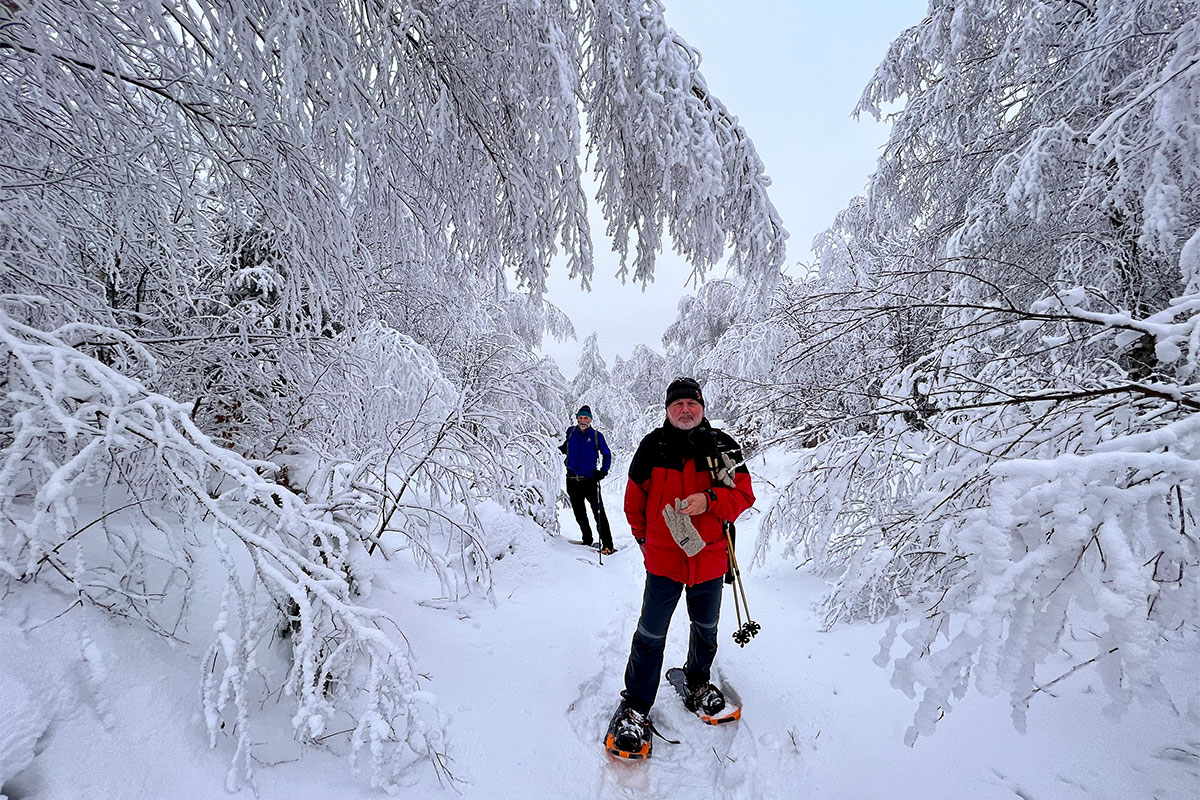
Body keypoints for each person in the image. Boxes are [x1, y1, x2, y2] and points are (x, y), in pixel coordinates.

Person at [604, 377, 755, 759]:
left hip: (709, 557)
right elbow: (632, 503)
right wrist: (644, 542)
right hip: (664, 563)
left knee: (706, 627)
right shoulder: (652, 447)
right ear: (668, 410)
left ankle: (697, 683)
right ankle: (635, 706)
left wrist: (709, 501)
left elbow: (743, 496)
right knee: (650, 634)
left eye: (692, 403)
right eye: (678, 405)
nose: (685, 410)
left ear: (702, 408)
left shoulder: (724, 446)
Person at [558, 405, 615, 554]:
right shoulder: (571, 432)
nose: (583, 420)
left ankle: (608, 545)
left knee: (598, 513)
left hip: (589, 480)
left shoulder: (596, 436)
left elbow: (607, 454)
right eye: (581, 417)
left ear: (590, 419)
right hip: (571, 480)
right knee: (579, 512)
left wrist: (603, 471)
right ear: (577, 418)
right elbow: (565, 448)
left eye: (586, 418)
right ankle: (587, 539)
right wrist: (551, 448)